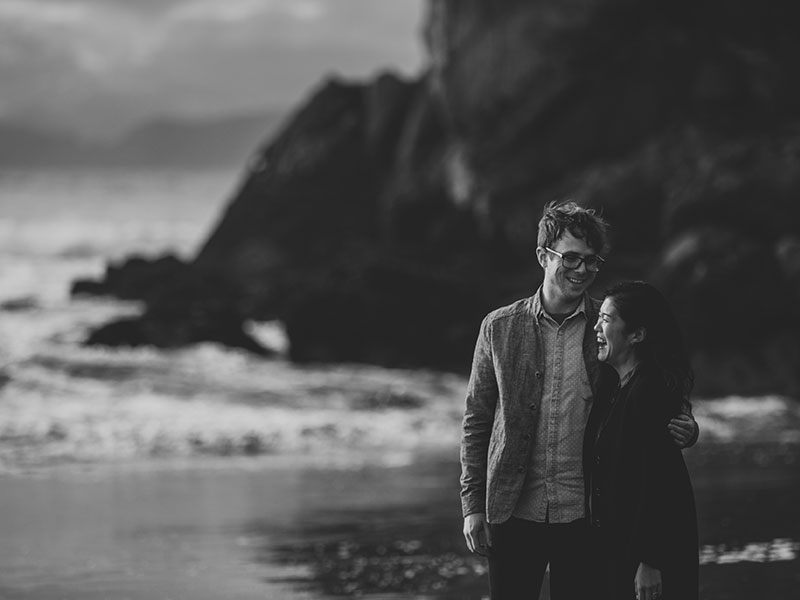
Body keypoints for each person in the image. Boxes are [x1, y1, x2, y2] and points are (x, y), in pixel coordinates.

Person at [460, 201, 698, 600]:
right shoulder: (498, 328)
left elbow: (653, 376)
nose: (582, 269)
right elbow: (477, 421)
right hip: (511, 509)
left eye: (591, 261)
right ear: (543, 256)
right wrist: (472, 506)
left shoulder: (607, 328)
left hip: (588, 517)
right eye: (570, 257)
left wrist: (684, 421)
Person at [584, 281, 699, 600]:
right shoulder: (614, 388)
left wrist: (650, 561)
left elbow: (659, 482)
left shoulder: (649, 392)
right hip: (622, 549)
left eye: (606, 319)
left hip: (648, 557)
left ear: (637, 335)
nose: (596, 326)